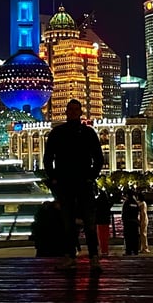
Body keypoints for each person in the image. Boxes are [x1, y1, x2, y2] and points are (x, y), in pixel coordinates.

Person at [43, 99, 105, 271]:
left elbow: (99, 158)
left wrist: (91, 177)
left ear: (80, 112)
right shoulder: (57, 132)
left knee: (89, 223)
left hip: (83, 183)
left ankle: (94, 258)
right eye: (70, 109)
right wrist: (54, 178)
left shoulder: (88, 132)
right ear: (66, 111)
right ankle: (70, 257)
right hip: (65, 183)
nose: (73, 112)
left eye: (76, 109)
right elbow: (48, 158)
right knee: (67, 223)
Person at [94, 189, 113, 257]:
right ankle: (106, 250)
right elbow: (111, 203)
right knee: (106, 236)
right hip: (106, 221)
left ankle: (102, 250)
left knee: (100, 236)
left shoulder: (97, 202)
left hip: (99, 221)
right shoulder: (107, 202)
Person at [121, 191, 141, 255]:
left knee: (128, 237)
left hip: (128, 222)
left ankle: (128, 251)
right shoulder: (135, 203)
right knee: (135, 237)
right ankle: (135, 250)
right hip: (135, 222)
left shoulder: (126, 202)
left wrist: (124, 220)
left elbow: (124, 213)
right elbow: (138, 211)